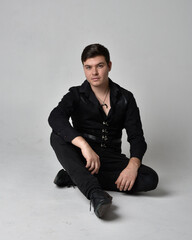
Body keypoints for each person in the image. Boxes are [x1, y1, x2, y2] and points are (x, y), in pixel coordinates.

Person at [48, 43, 159, 218]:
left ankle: (74, 176)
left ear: (109, 66)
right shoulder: (76, 95)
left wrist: (132, 165)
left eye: (100, 66)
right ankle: (95, 193)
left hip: (110, 158)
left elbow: (137, 137)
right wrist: (84, 146)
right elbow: (55, 117)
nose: (94, 73)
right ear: (83, 68)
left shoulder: (125, 98)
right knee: (56, 136)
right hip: (84, 156)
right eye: (88, 67)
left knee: (150, 178)